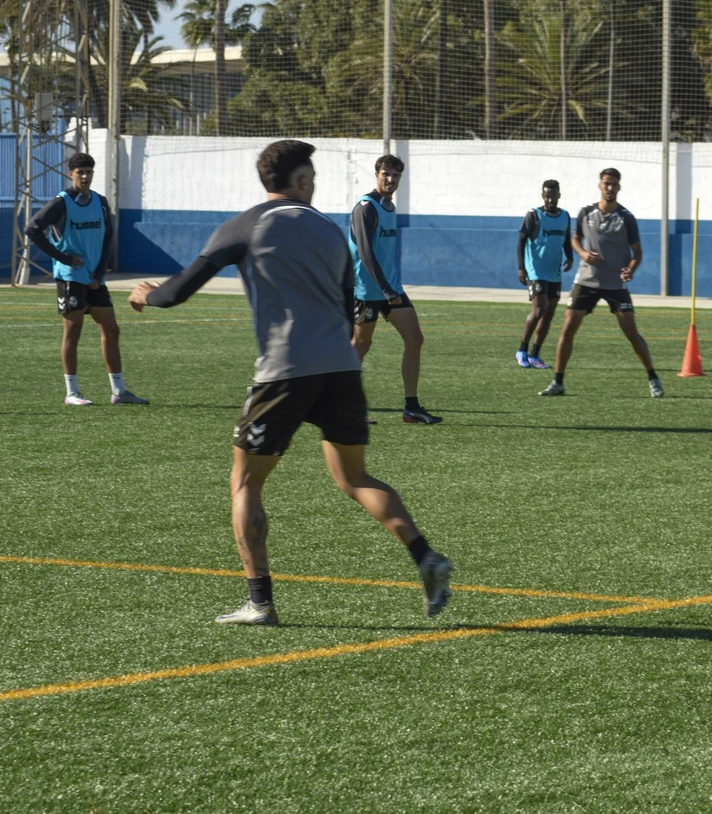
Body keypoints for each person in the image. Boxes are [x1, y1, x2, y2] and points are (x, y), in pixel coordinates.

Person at [128, 140, 451, 625]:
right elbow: (346, 307)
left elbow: (178, 291)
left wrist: (144, 295)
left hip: (283, 370)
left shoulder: (246, 224)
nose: (315, 183)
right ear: (300, 181)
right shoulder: (328, 228)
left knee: (245, 481)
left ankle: (260, 602)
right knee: (354, 478)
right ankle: (425, 555)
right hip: (341, 368)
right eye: (313, 176)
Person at [24, 151, 147, 407]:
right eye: (80, 172)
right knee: (73, 331)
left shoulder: (100, 202)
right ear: (71, 174)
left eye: (89, 171)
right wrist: (62, 258)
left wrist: (99, 274)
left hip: (93, 278)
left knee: (112, 329)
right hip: (70, 277)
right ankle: (72, 392)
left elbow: (108, 238)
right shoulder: (62, 202)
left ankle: (119, 391)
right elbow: (33, 228)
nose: (85, 176)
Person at [539, 167, 663, 398]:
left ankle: (653, 377)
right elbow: (575, 238)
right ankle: (558, 382)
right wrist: (583, 254)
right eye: (606, 183)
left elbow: (637, 253)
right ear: (599, 185)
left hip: (615, 284)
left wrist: (631, 270)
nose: (609, 187)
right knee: (567, 329)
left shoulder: (627, 218)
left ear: (618, 187)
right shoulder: (586, 213)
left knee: (631, 332)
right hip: (586, 280)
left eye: (614, 184)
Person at [348, 155, 441, 425]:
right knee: (361, 346)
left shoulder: (389, 207)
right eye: (386, 174)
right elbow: (365, 253)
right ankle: (347, 408)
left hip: (390, 288)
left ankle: (411, 408)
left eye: (396, 176)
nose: (390, 180)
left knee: (415, 339)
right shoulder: (366, 207)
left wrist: (391, 287)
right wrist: (387, 288)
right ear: (376, 174)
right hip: (367, 290)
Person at [516, 178, 572, 369]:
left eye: (553, 196)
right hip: (535, 270)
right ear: (543, 196)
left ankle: (535, 354)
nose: (550, 200)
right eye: (547, 196)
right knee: (539, 309)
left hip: (554, 272)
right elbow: (521, 241)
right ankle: (521, 350)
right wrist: (521, 268)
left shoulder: (565, 216)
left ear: (559, 196)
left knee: (549, 313)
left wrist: (570, 257)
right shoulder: (534, 215)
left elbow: (566, 240)